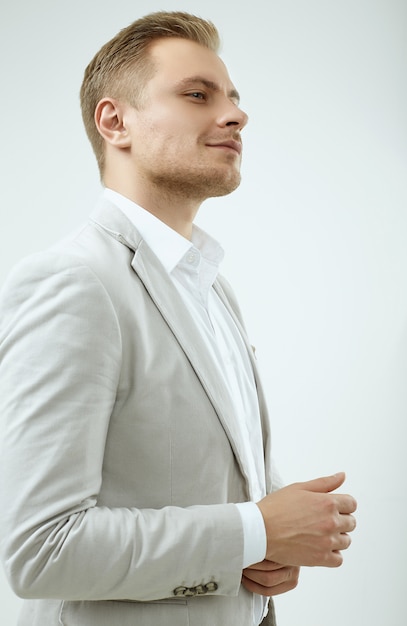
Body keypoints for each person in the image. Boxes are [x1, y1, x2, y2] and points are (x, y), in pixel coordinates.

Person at [0, 11, 357, 626]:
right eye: (197, 95)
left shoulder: (213, 289)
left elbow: (228, 517)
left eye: (235, 101)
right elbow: (40, 552)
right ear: (115, 121)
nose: (236, 116)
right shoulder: (74, 283)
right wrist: (251, 530)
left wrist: (266, 549)